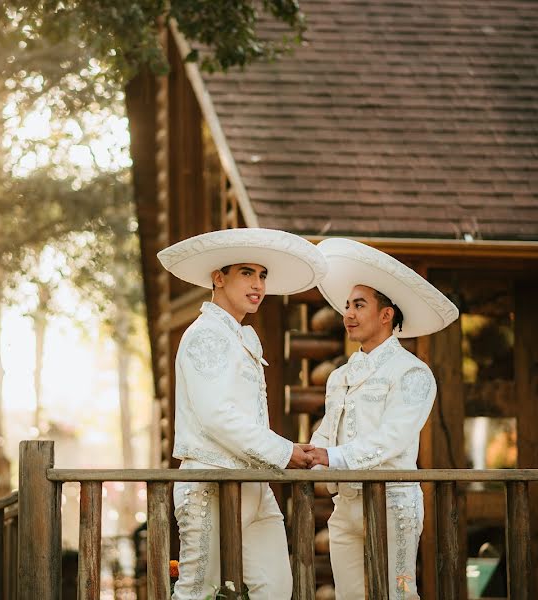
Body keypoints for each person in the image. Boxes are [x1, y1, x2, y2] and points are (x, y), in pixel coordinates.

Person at [157, 227, 328, 600]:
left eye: (262, 275)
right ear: (218, 278)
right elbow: (216, 415)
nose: (258, 284)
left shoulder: (242, 335)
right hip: (211, 483)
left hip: (255, 484)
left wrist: (281, 453)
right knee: (197, 593)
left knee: (277, 590)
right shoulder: (205, 335)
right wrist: (284, 451)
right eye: (247, 273)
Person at [307, 238, 459, 600]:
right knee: (349, 596)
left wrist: (332, 458)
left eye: (359, 306)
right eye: (346, 306)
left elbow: (393, 438)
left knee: (399, 594)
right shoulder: (338, 376)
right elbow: (326, 433)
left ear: (386, 314)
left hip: (394, 507)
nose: (348, 315)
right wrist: (308, 456)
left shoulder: (413, 373)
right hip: (344, 508)